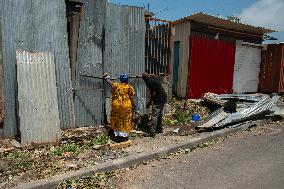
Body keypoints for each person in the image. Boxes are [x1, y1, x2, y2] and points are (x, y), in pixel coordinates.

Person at [103, 73, 136, 142]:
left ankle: (117, 135)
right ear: (127, 80)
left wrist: (106, 78)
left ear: (120, 80)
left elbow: (110, 82)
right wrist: (134, 105)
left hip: (116, 106)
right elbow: (132, 98)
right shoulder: (129, 87)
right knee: (125, 120)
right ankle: (124, 137)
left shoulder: (116, 85)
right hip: (126, 106)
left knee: (116, 119)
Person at [142, 71, 167, 137]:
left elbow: (153, 94)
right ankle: (159, 129)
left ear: (145, 79)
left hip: (158, 99)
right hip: (164, 97)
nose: (144, 81)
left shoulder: (149, 82)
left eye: (143, 79)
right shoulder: (154, 78)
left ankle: (152, 132)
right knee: (159, 114)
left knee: (154, 115)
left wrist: (149, 104)